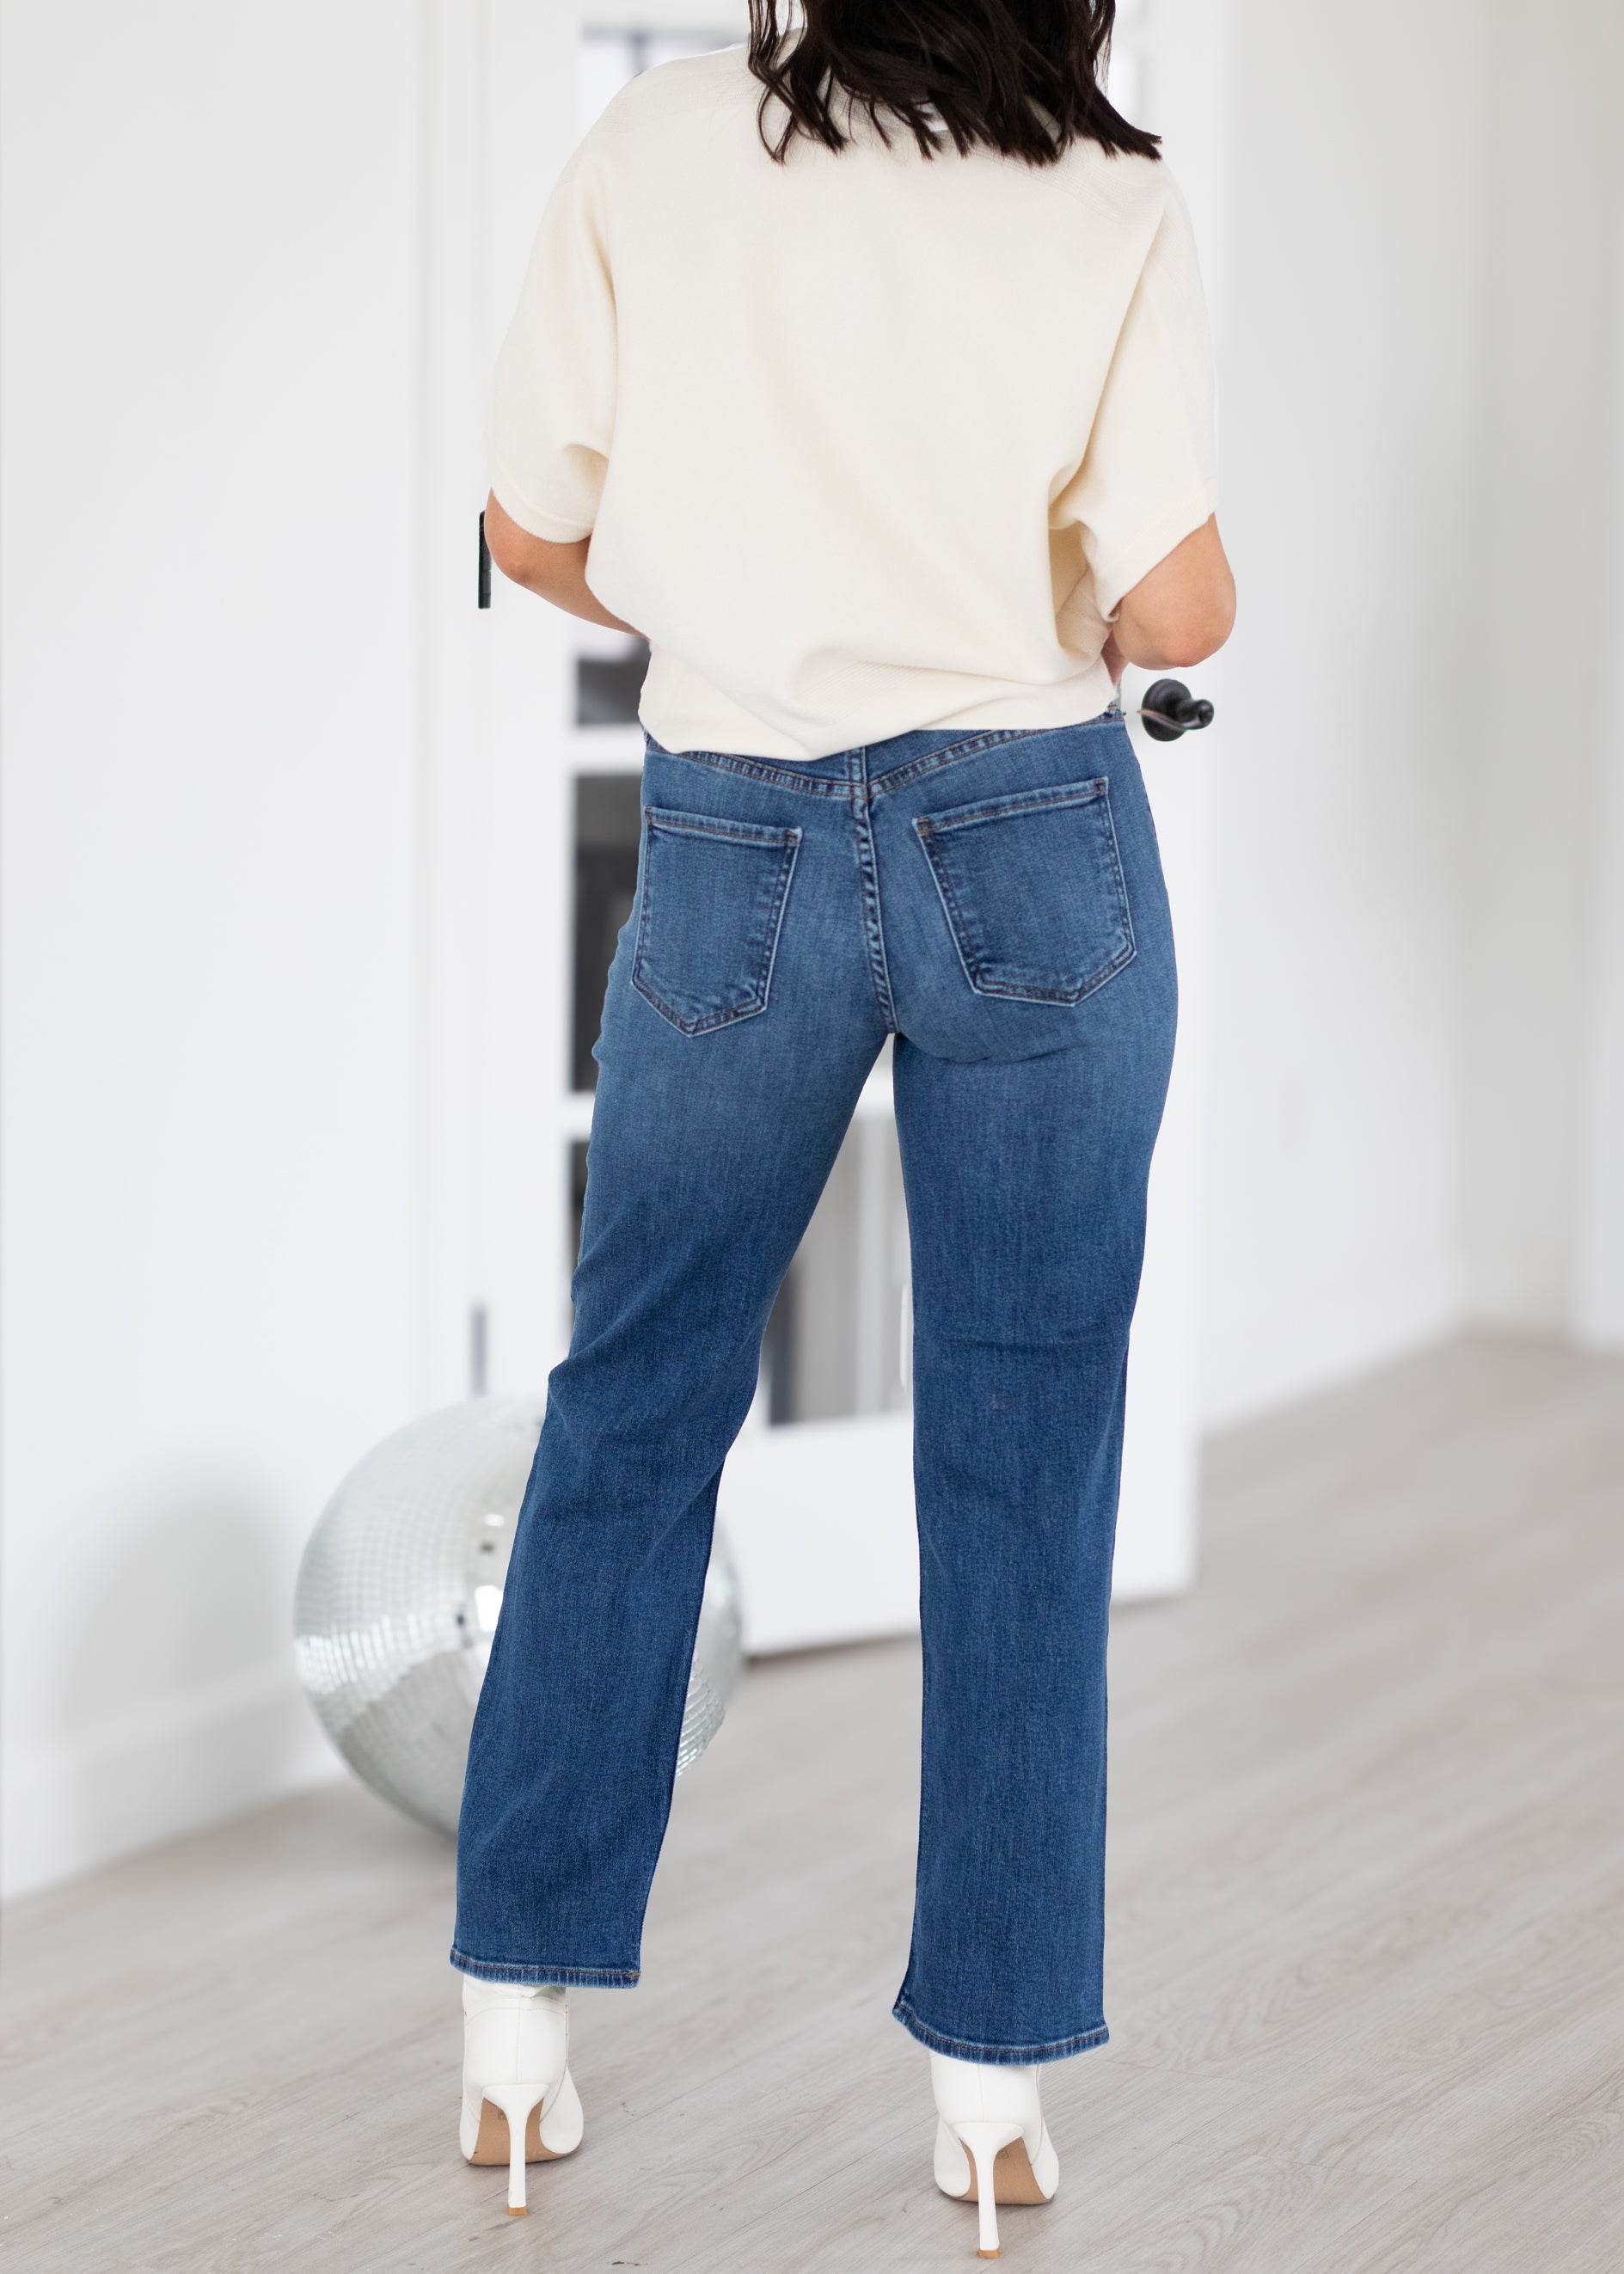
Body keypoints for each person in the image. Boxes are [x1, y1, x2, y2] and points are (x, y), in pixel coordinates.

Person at [452, 0, 1235, 2252]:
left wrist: (741, 618)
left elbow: (530, 526)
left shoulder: (660, 147)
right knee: (1018, 1449)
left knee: (630, 1412)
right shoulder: (1106, 191)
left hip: (732, 844)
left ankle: (513, 2033)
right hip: (1031, 839)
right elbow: (1176, 601)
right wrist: (1086, 600)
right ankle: (987, 2094)